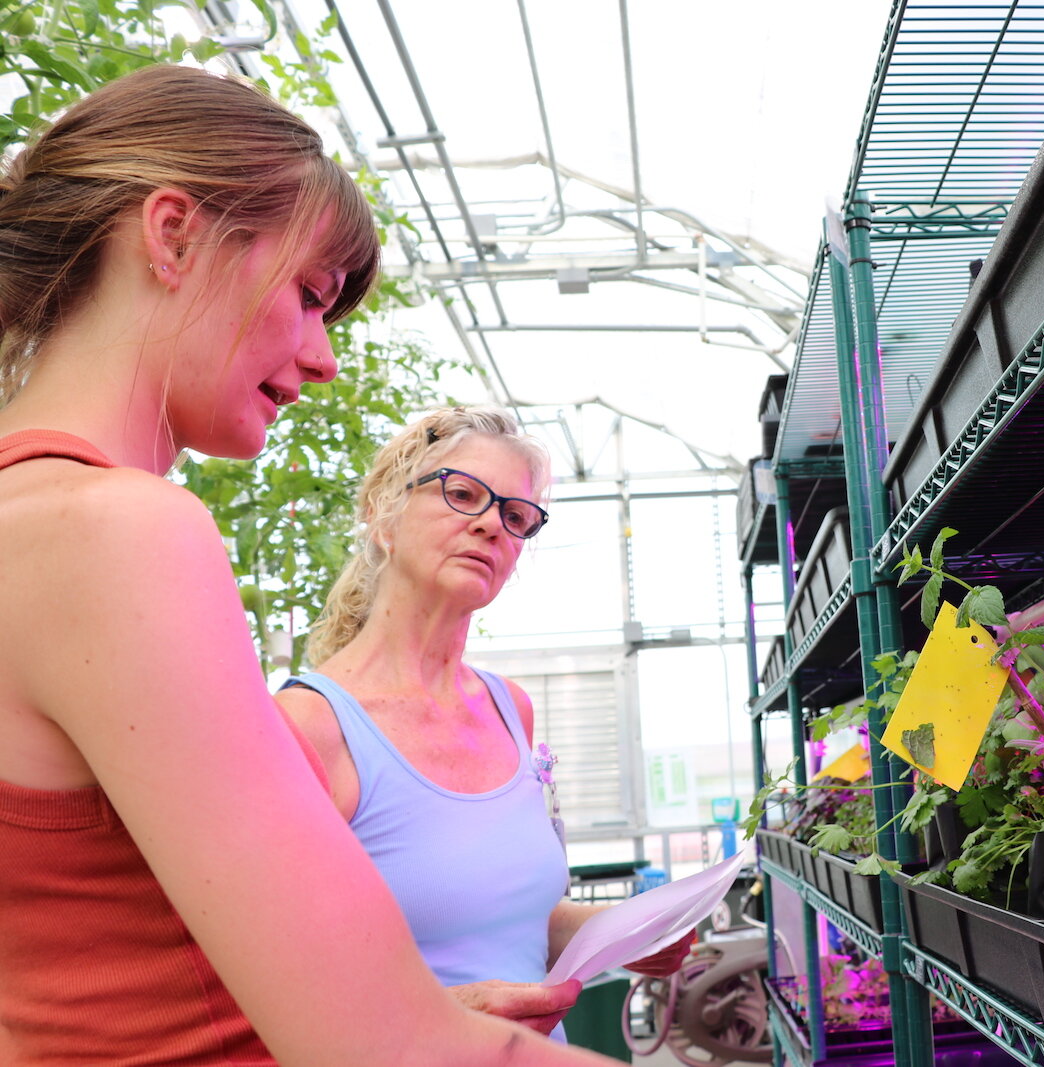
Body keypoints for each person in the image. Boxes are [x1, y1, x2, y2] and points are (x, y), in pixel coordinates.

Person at [0, 64, 617, 1065]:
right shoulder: (117, 530)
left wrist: (423, 1004)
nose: (325, 355)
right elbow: (389, 1048)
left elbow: (96, 974)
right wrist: (419, 1019)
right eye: (310, 293)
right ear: (173, 234)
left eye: (518, 515)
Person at [277, 406, 693, 1037]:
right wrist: (438, 1016)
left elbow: (523, 923)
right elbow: (264, 979)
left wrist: (623, 932)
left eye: (516, 516)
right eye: (462, 494)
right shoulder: (311, 726)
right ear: (383, 516)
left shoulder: (510, 709)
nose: (492, 526)